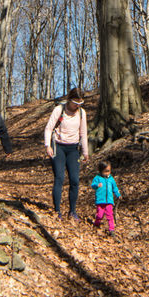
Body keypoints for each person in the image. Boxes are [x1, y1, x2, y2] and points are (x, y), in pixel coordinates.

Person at [44, 87, 88, 222]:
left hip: (73, 149)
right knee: (59, 178)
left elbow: (83, 133)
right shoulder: (59, 110)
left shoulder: (81, 113)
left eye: (80, 104)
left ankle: (72, 211)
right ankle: (57, 210)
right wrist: (48, 146)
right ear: (69, 100)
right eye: (75, 103)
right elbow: (48, 128)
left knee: (74, 180)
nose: (77, 106)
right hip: (59, 147)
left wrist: (85, 151)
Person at [91, 160, 121, 235]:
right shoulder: (97, 178)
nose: (107, 173)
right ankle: (96, 223)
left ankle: (111, 229)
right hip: (100, 201)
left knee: (110, 215)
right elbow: (93, 185)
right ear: (101, 171)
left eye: (109, 171)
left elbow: (115, 188)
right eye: (105, 171)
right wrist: (97, 185)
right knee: (100, 215)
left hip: (109, 201)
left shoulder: (111, 179)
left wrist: (118, 194)